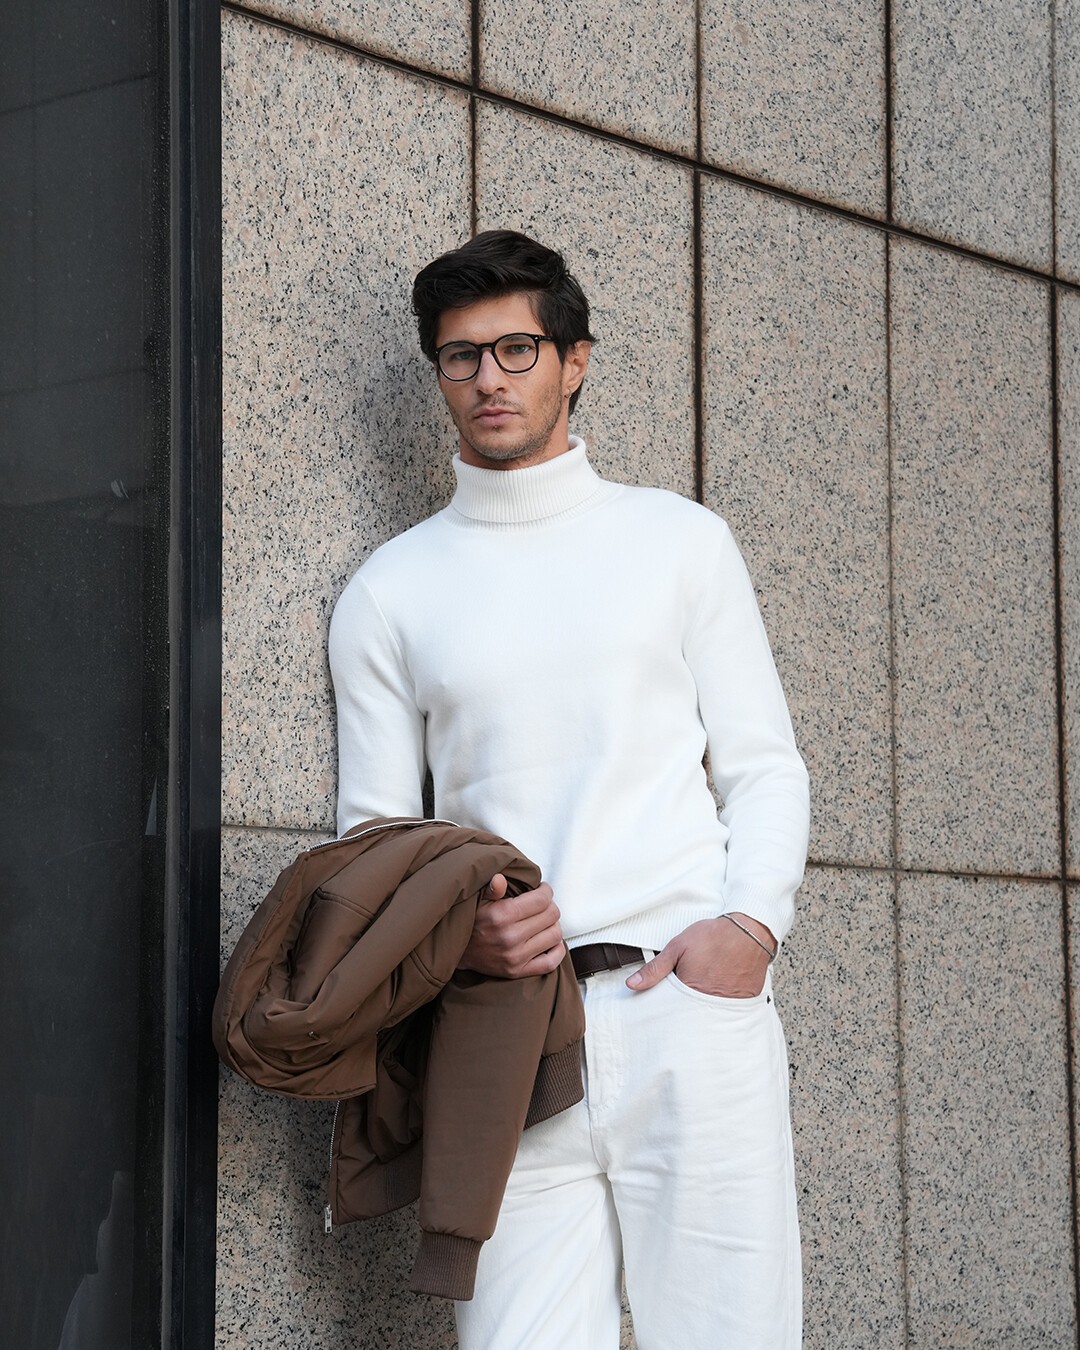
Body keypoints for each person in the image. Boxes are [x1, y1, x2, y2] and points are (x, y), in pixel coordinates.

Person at [328, 229, 810, 1350]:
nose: (488, 379)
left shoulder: (678, 542)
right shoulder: (391, 591)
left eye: (517, 350)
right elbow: (375, 845)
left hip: (685, 1009)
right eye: (460, 357)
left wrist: (749, 928)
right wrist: (461, 938)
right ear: (439, 375)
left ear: (574, 360)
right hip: (505, 1035)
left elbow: (764, 766)